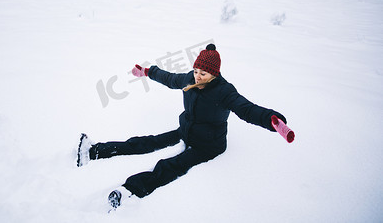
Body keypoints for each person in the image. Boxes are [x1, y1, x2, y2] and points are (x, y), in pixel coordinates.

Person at [77, 44, 287, 208]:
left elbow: (247, 109)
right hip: (185, 130)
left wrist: (271, 120)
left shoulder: (224, 92)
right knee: (146, 142)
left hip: (208, 145)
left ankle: (130, 190)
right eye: (196, 71)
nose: (197, 76)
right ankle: (95, 151)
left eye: (203, 74)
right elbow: (169, 78)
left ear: (214, 75)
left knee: (171, 165)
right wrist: (148, 71)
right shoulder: (189, 79)